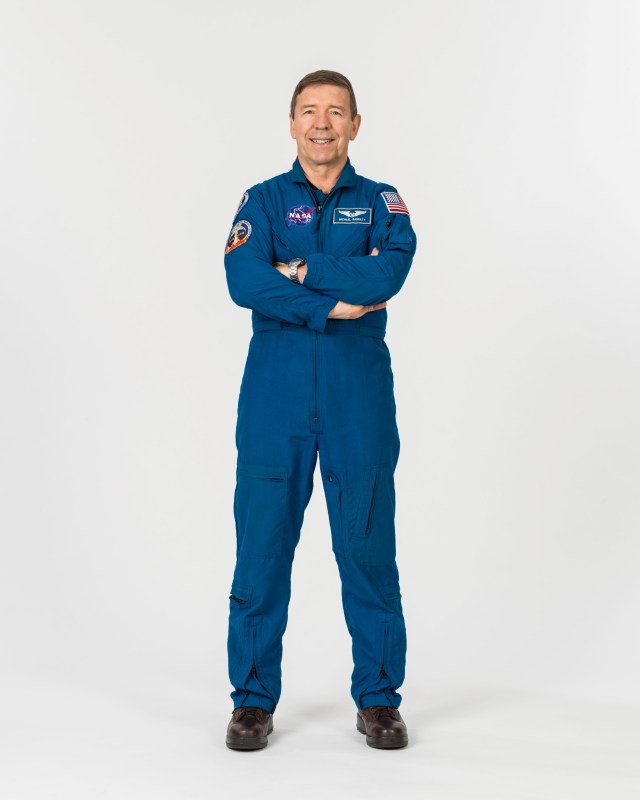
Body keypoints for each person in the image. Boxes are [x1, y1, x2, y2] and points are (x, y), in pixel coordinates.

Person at [223, 70, 417, 751]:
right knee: (262, 550)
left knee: (367, 548)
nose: (322, 123)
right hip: (275, 398)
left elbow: (389, 273)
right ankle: (251, 701)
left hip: (357, 396)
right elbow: (243, 280)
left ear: (356, 125)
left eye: (336, 112)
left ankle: (379, 700)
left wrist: (299, 272)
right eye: (309, 111)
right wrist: (332, 303)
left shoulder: (383, 203)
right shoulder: (264, 200)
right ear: (292, 122)